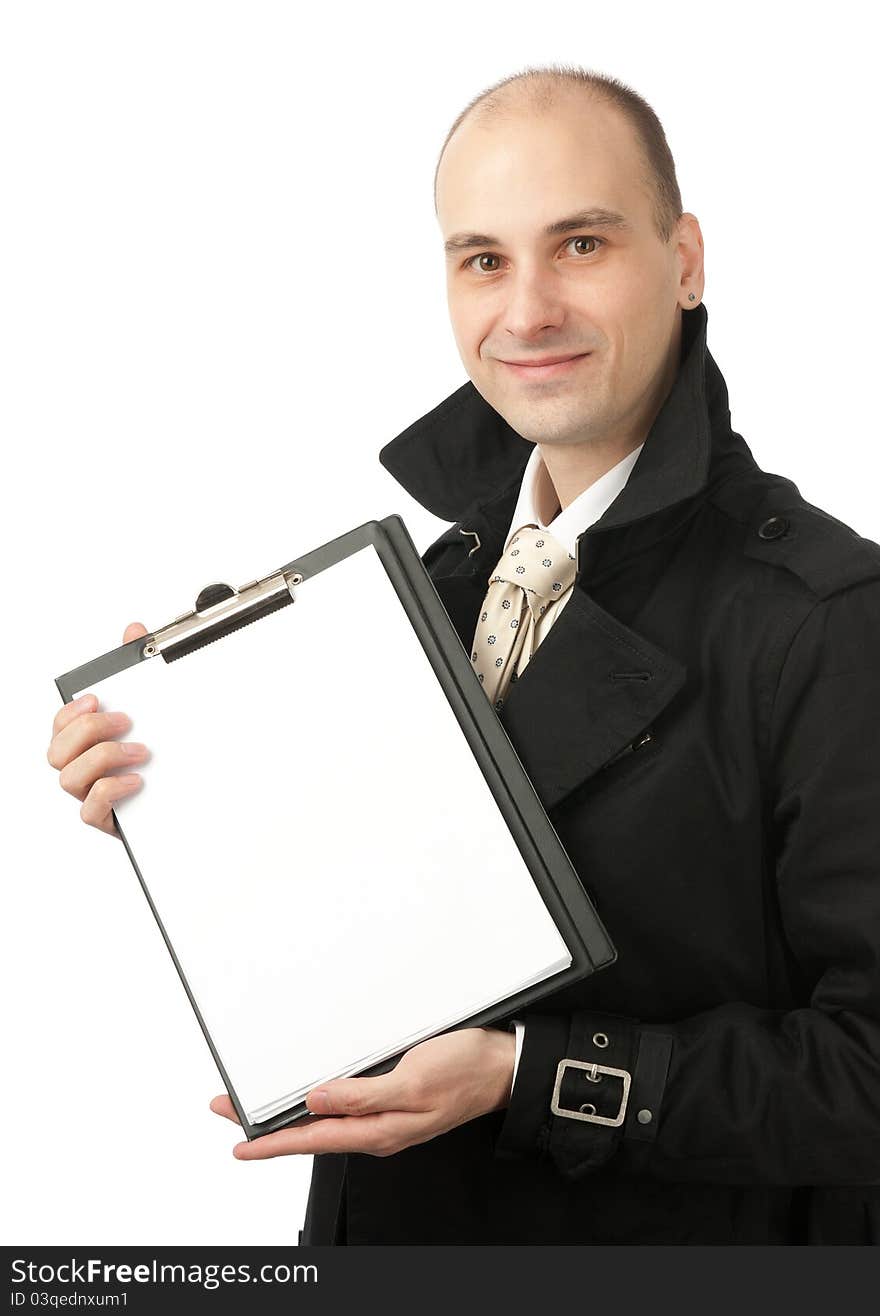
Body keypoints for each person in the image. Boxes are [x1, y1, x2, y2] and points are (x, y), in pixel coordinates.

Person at [47, 64, 880, 1246]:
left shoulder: (829, 618)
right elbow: (381, 907)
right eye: (483, 258)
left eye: (580, 244)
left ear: (685, 259)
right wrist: (179, 785)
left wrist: (525, 1074)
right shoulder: (413, 593)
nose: (526, 309)